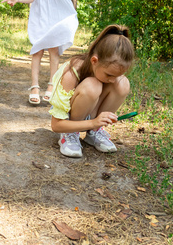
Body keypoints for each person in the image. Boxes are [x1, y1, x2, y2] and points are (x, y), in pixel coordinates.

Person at [2, 0, 79, 105]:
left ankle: (52, 85)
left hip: (56, 20)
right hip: (41, 18)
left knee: (54, 52)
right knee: (37, 51)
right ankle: (35, 87)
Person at [48, 24, 135, 158]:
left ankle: (94, 132)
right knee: (92, 85)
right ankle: (70, 134)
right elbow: (56, 125)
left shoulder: (111, 76)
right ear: (94, 60)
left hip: (90, 116)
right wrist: (93, 122)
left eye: (116, 75)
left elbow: (115, 80)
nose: (112, 80)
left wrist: (98, 123)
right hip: (68, 121)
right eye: (109, 75)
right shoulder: (72, 73)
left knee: (123, 83)